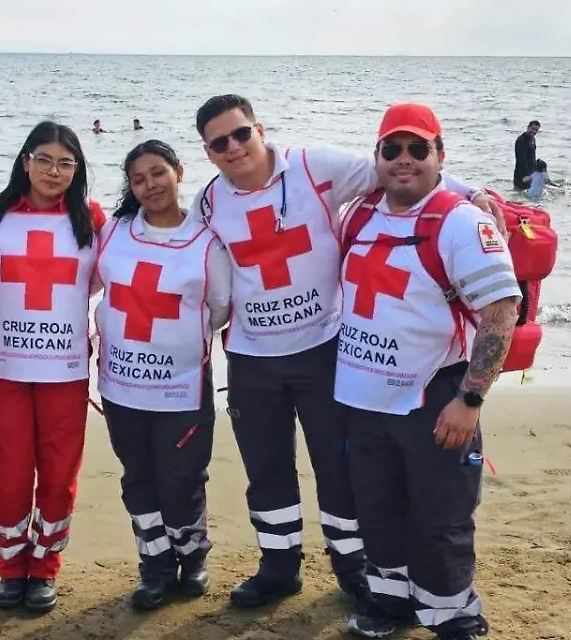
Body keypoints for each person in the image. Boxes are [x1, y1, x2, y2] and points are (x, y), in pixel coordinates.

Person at [190, 94, 497, 610]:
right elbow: (194, 264)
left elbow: (397, 171)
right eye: (220, 143)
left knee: (338, 469)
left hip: (324, 351)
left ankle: (352, 568)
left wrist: (473, 193)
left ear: (260, 129)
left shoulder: (314, 166)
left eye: (241, 133)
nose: (234, 147)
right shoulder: (208, 202)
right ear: (208, 152)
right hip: (251, 358)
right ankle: (278, 568)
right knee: (266, 469)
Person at [335, 103, 520, 639]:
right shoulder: (358, 214)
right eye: (392, 149)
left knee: (442, 514)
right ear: (376, 157)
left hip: (434, 396)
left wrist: (470, 400)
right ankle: (389, 602)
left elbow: (501, 313)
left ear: (440, 155)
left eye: (419, 149)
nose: (405, 159)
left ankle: (452, 614)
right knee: (378, 508)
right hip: (362, 397)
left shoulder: (462, 221)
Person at [94, 140, 232, 610]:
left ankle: (191, 559)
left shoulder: (207, 241)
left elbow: (219, 309)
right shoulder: (114, 231)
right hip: (121, 386)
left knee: (182, 478)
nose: (150, 185)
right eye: (138, 179)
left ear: (178, 172)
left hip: (181, 389)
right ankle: (154, 566)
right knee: (138, 478)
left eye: (158, 173)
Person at [0, 120, 107, 614]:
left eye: (66, 163)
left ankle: (46, 566)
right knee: (7, 472)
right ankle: (11, 565)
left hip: (65, 371)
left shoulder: (92, 220)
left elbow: (106, 278)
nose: (54, 172)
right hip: (3, 370)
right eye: (45, 160)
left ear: (78, 169)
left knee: (58, 472)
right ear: (25, 161)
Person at [513, 120, 539, 191]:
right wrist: (527, 175)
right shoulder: (521, 140)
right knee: (520, 193)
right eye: (532, 128)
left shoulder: (533, 139)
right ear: (528, 127)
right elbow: (521, 159)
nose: (534, 131)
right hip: (521, 174)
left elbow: (533, 157)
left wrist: (535, 172)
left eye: (536, 130)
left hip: (531, 173)